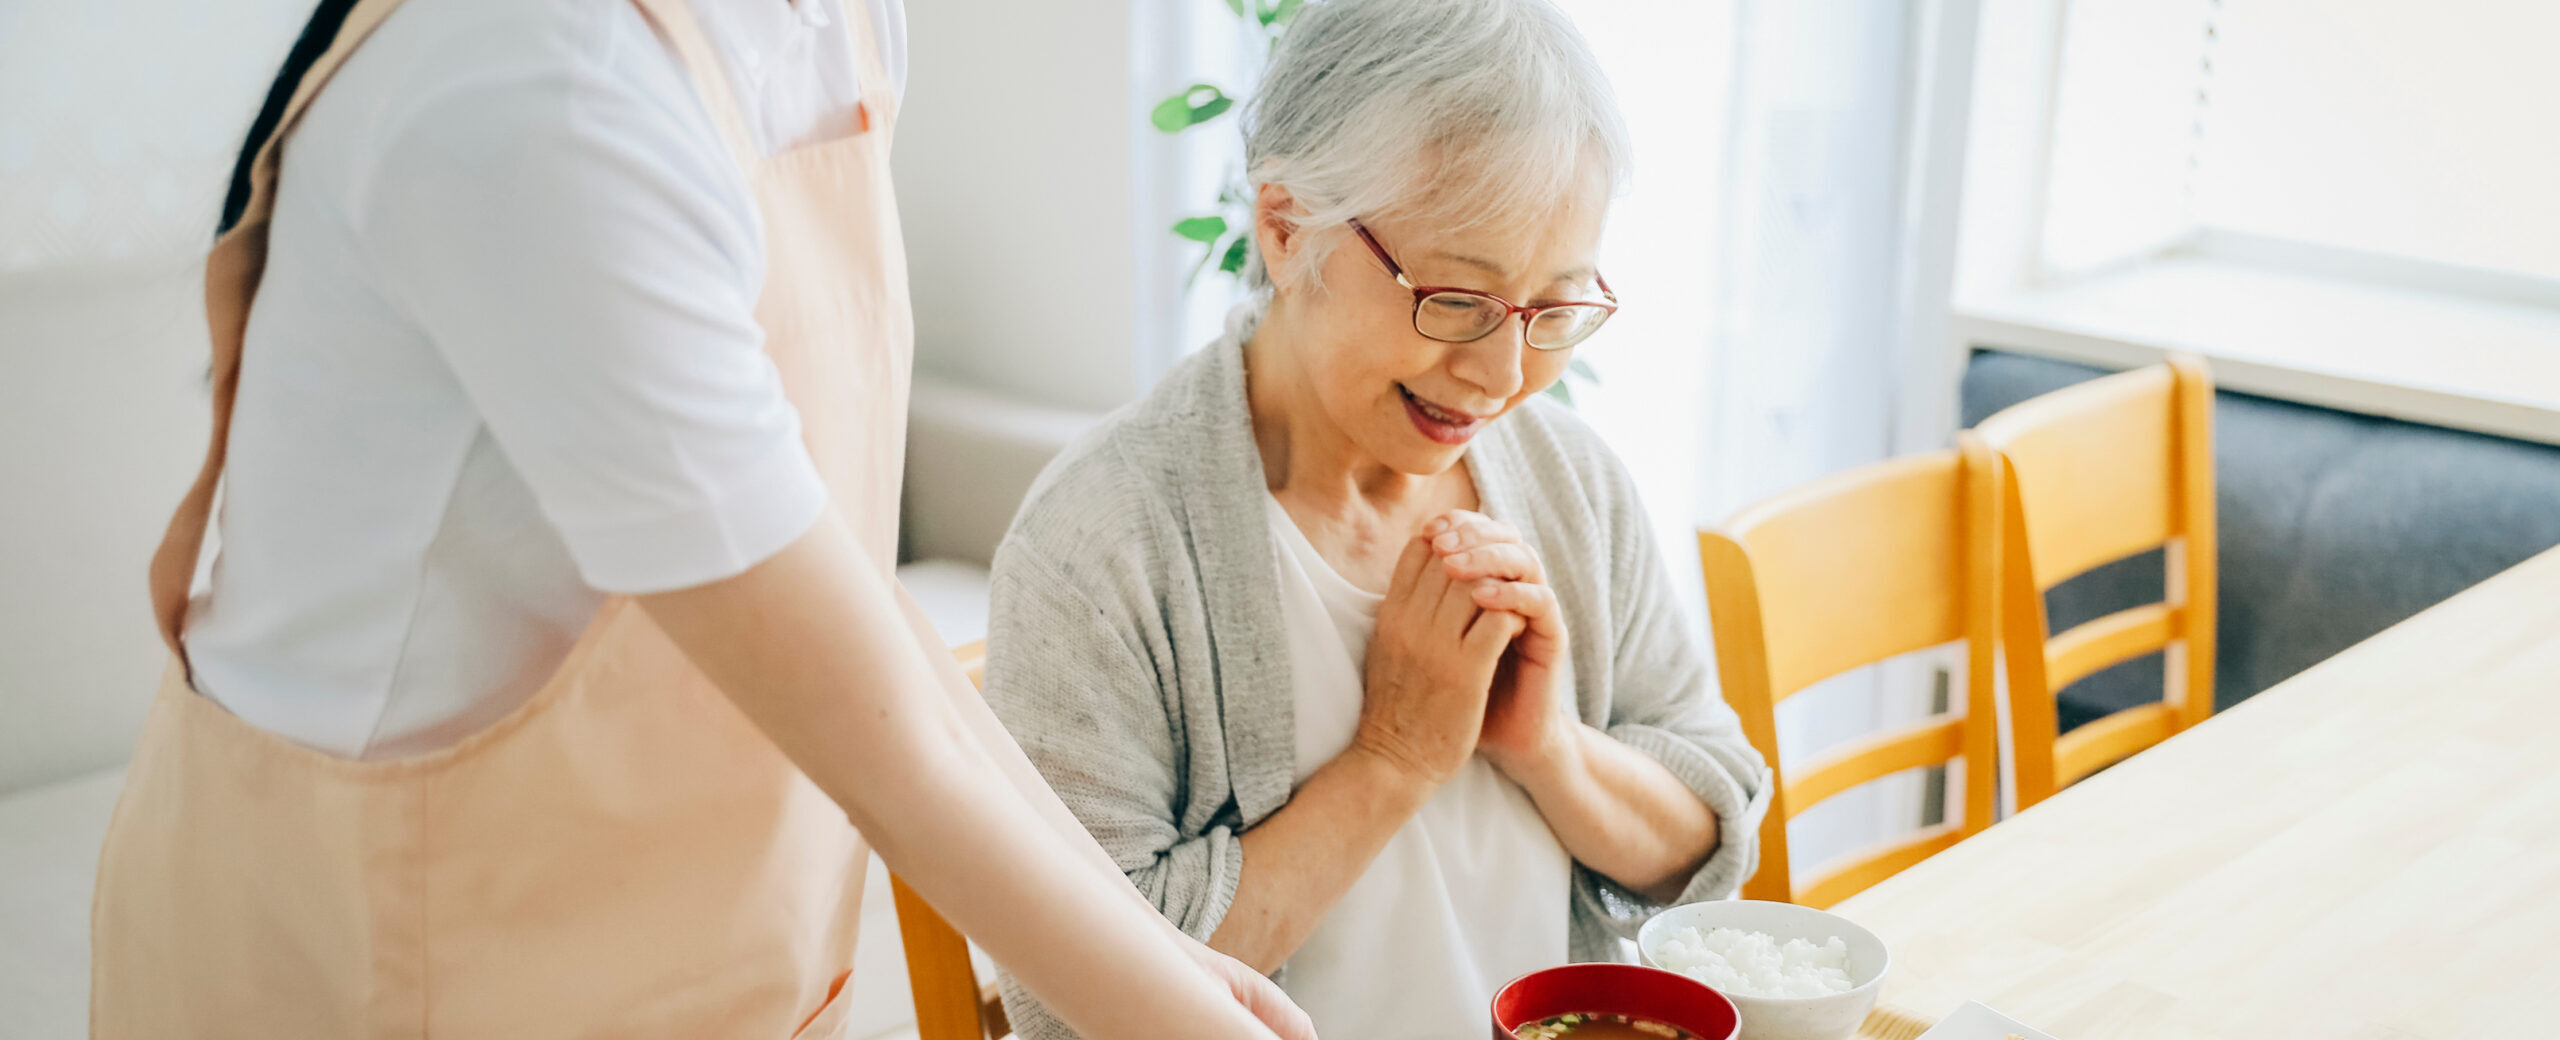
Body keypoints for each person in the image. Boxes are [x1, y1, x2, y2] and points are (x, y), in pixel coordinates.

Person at [86, 0, 1313, 1037]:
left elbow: (845, 596)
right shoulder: (538, 84)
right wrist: (1167, 1007)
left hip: (678, 936)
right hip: (389, 947)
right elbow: (897, 760)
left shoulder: (832, 25)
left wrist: (1151, 942)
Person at [981, 1, 1772, 1037]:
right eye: (1455, 298)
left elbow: (1715, 822)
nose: (1500, 375)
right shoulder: (1101, 542)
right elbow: (1068, 993)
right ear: (1284, 228)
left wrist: (1549, 748)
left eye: (1554, 308)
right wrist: (1392, 755)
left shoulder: (1566, 478)